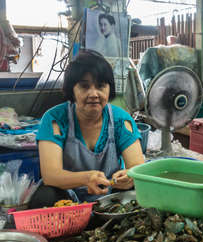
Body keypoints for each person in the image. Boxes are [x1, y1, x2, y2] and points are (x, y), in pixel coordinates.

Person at [29, 50, 145, 207]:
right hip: (67, 197)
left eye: (100, 86)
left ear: (109, 88)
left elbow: (137, 168)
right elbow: (50, 175)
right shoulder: (55, 119)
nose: (94, 94)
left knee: (140, 190)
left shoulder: (120, 119)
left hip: (109, 197)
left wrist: (129, 177)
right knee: (44, 197)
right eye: (84, 86)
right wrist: (86, 178)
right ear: (72, 90)